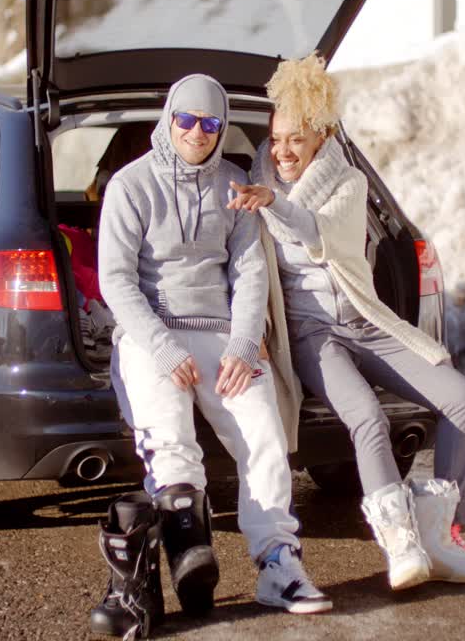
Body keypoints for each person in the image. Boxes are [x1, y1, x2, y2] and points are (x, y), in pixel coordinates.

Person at [227, 54, 465, 592]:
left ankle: (444, 534)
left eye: (296, 140)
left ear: (323, 136)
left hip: (366, 323)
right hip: (310, 335)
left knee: (462, 399)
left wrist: (274, 202)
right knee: (367, 418)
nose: (282, 152)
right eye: (277, 138)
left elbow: (319, 231)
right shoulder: (256, 177)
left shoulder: (346, 183)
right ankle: (400, 542)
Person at [90, 74, 331, 639]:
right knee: (171, 433)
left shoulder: (236, 185)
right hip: (151, 334)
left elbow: (249, 273)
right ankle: (187, 545)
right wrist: (162, 346)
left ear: (222, 128)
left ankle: (277, 562)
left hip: (222, 333)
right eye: (188, 121)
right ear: (169, 119)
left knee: (264, 433)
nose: (198, 132)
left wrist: (246, 345)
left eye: (211, 123)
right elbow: (116, 281)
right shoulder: (131, 186)